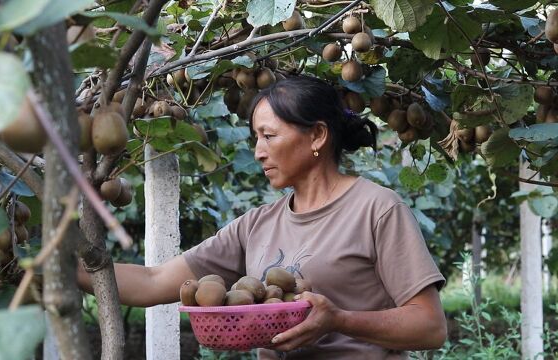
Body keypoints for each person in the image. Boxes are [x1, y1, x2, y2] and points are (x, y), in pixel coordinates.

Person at [78, 76, 447, 359]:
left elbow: (429, 326)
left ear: (318, 135)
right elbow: (153, 280)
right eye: (256, 138)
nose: (258, 152)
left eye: (269, 136)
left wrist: (340, 319)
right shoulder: (257, 224)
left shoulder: (377, 208)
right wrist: (58, 270)